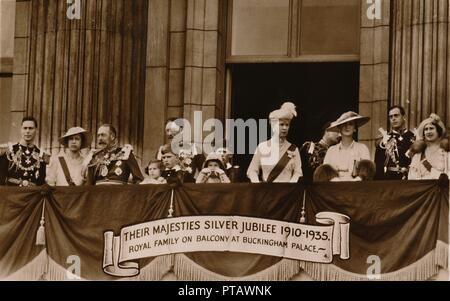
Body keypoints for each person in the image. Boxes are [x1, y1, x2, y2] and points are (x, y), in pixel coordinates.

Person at [247, 102, 302, 183]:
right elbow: (252, 171)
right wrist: (258, 186)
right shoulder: (262, 147)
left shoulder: (294, 149)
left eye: (287, 125)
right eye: (281, 124)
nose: (285, 128)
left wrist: (290, 187)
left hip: (287, 192)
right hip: (267, 193)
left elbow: (298, 172)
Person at [0, 116, 49, 187]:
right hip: (12, 195)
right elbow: (1, 177)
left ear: (36, 130)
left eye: (31, 128)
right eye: (25, 128)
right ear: (21, 130)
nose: (27, 131)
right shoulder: (9, 150)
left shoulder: (41, 154)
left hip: (33, 196)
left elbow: (41, 181)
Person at [323, 111, 371, 181]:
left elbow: (367, 171)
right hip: (334, 189)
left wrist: (358, 179)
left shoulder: (362, 148)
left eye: (350, 124)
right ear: (339, 128)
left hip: (356, 189)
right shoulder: (331, 150)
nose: (347, 127)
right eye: (344, 124)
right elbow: (325, 172)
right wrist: (334, 180)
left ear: (355, 128)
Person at [374, 106, 415, 180]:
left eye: (396, 115)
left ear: (403, 117)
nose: (393, 118)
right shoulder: (385, 139)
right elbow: (378, 164)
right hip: (390, 180)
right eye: (391, 117)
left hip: (410, 179)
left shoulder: (413, 137)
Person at [408, 114, 450, 180]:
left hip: (441, 188)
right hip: (422, 188)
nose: (428, 132)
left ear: (438, 131)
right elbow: (412, 176)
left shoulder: (446, 152)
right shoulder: (419, 153)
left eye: (431, 128)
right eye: (426, 129)